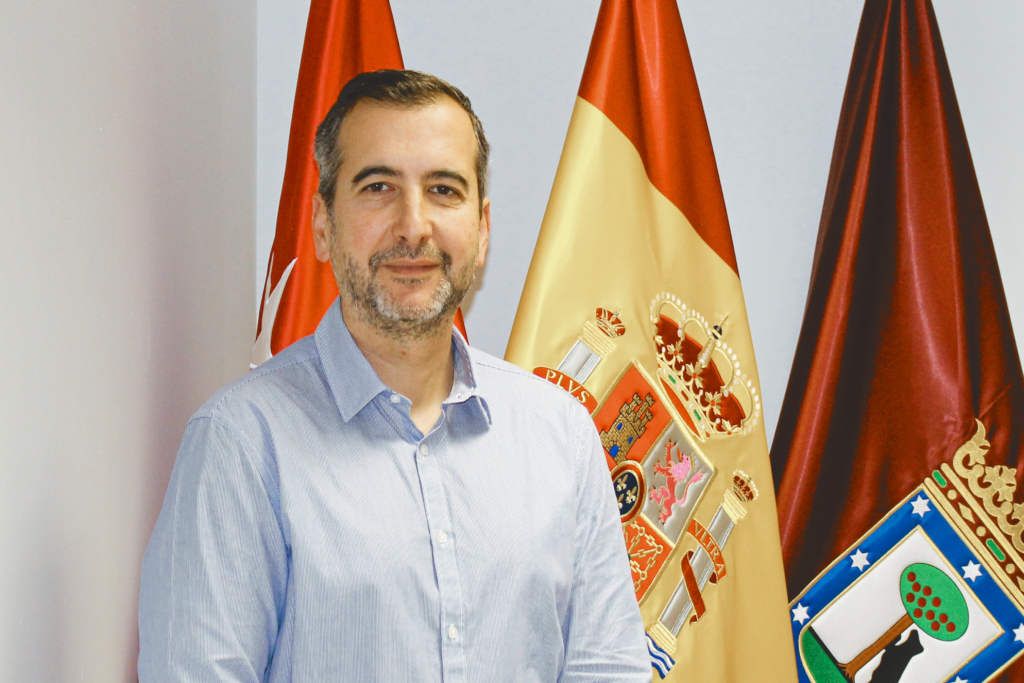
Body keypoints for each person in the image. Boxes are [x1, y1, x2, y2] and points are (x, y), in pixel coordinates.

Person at [138, 69, 649, 682]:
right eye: (378, 187)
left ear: (483, 230)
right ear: (323, 225)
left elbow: (608, 670)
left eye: (444, 189)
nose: (413, 225)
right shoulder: (241, 444)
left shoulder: (560, 434)